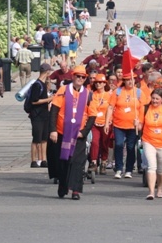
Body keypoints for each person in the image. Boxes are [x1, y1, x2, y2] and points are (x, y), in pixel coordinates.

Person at [47, 65, 95, 200]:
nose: (80, 79)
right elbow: (54, 111)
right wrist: (53, 130)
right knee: (64, 161)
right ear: (73, 76)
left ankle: (75, 190)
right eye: (78, 76)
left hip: (78, 134)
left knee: (77, 162)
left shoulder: (88, 94)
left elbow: (92, 116)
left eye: (83, 77)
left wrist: (84, 132)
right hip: (62, 132)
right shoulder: (63, 90)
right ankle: (63, 186)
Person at [104, 72, 142, 179]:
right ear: (124, 81)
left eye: (132, 79)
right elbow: (110, 107)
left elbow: (143, 108)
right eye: (128, 79)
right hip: (118, 124)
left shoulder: (139, 92)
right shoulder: (117, 92)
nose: (130, 81)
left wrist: (140, 122)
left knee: (131, 147)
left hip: (133, 125)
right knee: (119, 145)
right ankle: (119, 168)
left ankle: (129, 169)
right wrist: (107, 123)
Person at [29, 63, 53, 168]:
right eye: (49, 71)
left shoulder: (43, 84)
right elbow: (34, 101)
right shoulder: (37, 85)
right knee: (36, 138)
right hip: (37, 115)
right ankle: (34, 160)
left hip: (44, 115)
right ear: (47, 72)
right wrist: (49, 99)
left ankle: (43, 160)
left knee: (44, 138)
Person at [88, 73, 111, 175]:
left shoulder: (109, 95)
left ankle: (104, 162)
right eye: (96, 82)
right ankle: (93, 163)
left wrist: (108, 122)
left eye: (100, 82)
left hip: (106, 122)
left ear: (104, 83)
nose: (98, 84)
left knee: (104, 143)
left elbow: (111, 109)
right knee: (94, 142)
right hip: (94, 122)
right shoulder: (91, 94)